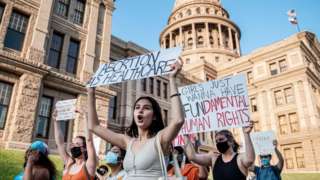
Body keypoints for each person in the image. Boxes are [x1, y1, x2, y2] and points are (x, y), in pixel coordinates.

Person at [87, 60, 184, 179]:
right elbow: (94, 126)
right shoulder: (128, 142)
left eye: (146, 108)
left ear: (154, 116)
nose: (140, 110)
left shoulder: (160, 139)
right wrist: (91, 92)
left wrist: (172, 80)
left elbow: (178, 120)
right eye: (137, 107)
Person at [184, 124, 255, 180]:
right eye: (216, 141)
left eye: (221, 139)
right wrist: (185, 135)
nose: (218, 143)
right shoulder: (214, 158)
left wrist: (246, 134)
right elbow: (192, 156)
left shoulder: (239, 159)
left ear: (230, 141)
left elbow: (250, 159)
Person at [53, 109, 97, 180]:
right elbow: (60, 143)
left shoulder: (89, 165)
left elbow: (89, 141)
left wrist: (85, 117)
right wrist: (56, 121)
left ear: (84, 148)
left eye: (77, 144)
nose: (73, 146)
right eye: (72, 143)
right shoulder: (69, 163)